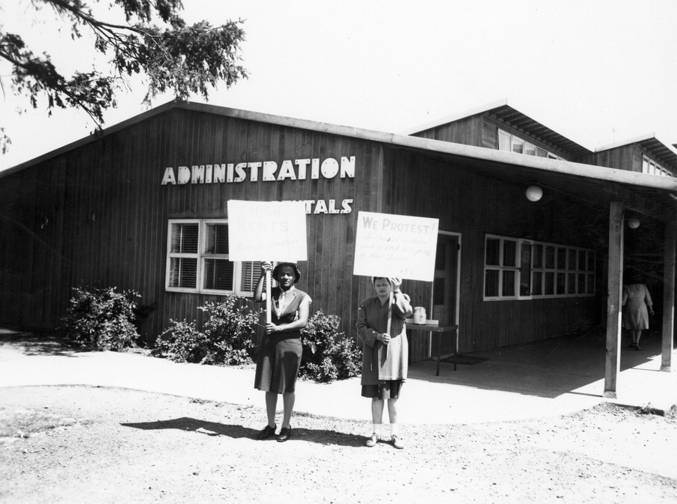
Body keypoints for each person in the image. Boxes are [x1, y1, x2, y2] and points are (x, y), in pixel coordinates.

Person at [253, 261, 311, 442]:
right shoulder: (272, 293)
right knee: (269, 385)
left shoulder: (302, 296)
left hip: (290, 344)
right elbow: (256, 297)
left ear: (295, 277)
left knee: (287, 386)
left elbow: (303, 322)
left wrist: (280, 329)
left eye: (289, 274)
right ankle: (271, 425)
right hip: (270, 343)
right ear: (277, 276)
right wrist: (263, 275)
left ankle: (286, 425)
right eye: (282, 274)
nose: (285, 277)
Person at [357, 277, 412, 449]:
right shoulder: (366, 304)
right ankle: (376, 432)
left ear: (391, 285)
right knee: (376, 397)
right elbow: (360, 326)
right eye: (378, 284)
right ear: (373, 286)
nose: (381, 288)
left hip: (393, 356)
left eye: (385, 284)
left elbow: (406, 312)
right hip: (374, 355)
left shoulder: (400, 299)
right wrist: (376, 336)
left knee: (393, 398)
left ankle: (395, 434)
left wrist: (397, 291)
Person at [622, 275, 654, 350]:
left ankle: (633, 342)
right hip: (641, 307)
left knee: (632, 325)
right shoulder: (644, 287)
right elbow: (648, 299)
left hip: (631, 307)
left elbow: (623, 302)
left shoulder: (628, 287)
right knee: (640, 326)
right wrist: (651, 309)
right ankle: (636, 342)